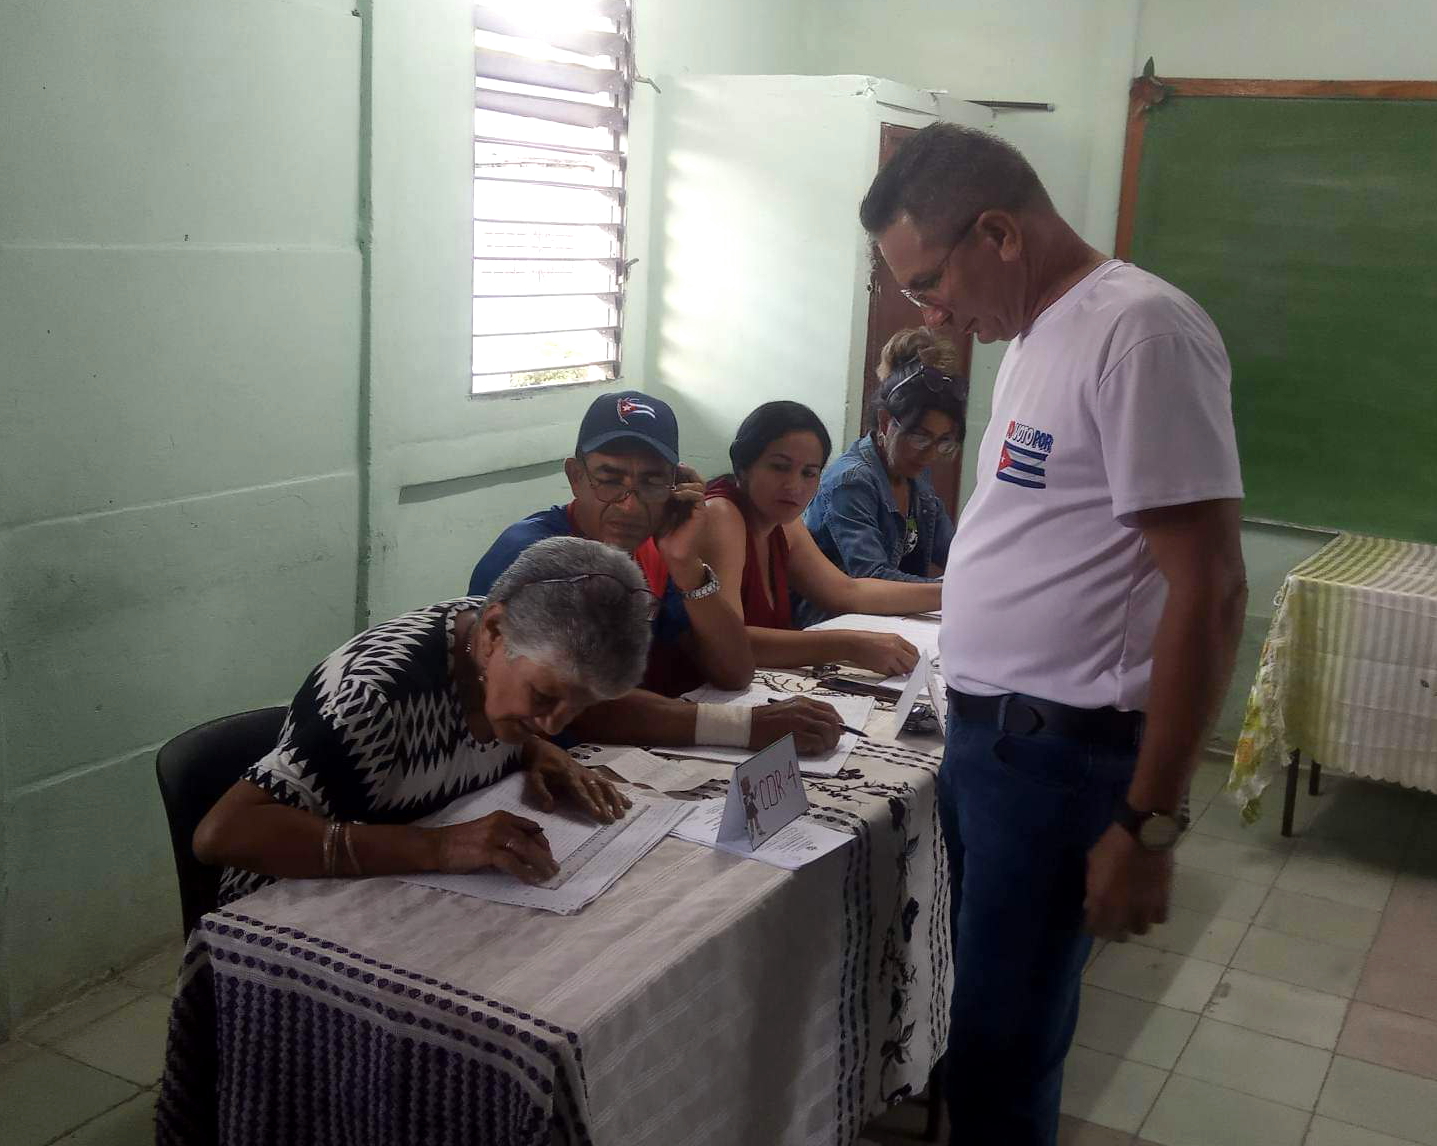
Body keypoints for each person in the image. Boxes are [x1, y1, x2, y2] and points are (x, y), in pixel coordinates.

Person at [861, 123, 1247, 1145]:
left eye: (932, 281)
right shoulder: (1038, 334)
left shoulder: (1142, 333)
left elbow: (1207, 592)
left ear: (998, 230)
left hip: (1060, 757)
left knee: (1003, 1052)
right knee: (979, 1028)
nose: (930, 315)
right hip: (994, 744)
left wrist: (1148, 821)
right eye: (911, 293)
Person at [195, 537, 650, 903]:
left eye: (580, 706)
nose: (556, 724)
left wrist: (535, 749)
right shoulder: (371, 698)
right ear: (492, 634)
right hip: (285, 921)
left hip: (401, 897)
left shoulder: (504, 640)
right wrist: (441, 847)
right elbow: (224, 834)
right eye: (544, 696)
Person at [469, 390, 844, 757]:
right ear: (575, 476)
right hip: (515, 765)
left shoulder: (654, 551)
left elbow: (735, 670)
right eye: (610, 478)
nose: (630, 505)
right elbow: (577, 705)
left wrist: (685, 563)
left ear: (675, 486)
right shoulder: (536, 555)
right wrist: (741, 727)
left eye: (651, 482)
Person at [702, 400, 942, 676]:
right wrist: (849, 645)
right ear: (743, 464)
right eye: (779, 467)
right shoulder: (722, 515)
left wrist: (951, 595)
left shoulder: (782, 523)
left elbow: (847, 592)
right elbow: (730, 643)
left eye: (809, 473)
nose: (794, 486)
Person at [806, 328, 964, 590]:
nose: (931, 453)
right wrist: (954, 591)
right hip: (833, 622)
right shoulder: (852, 481)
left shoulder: (916, 475)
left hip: (886, 616)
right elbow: (873, 576)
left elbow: (955, 552)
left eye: (943, 442)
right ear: (885, 421)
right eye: (920, 437)